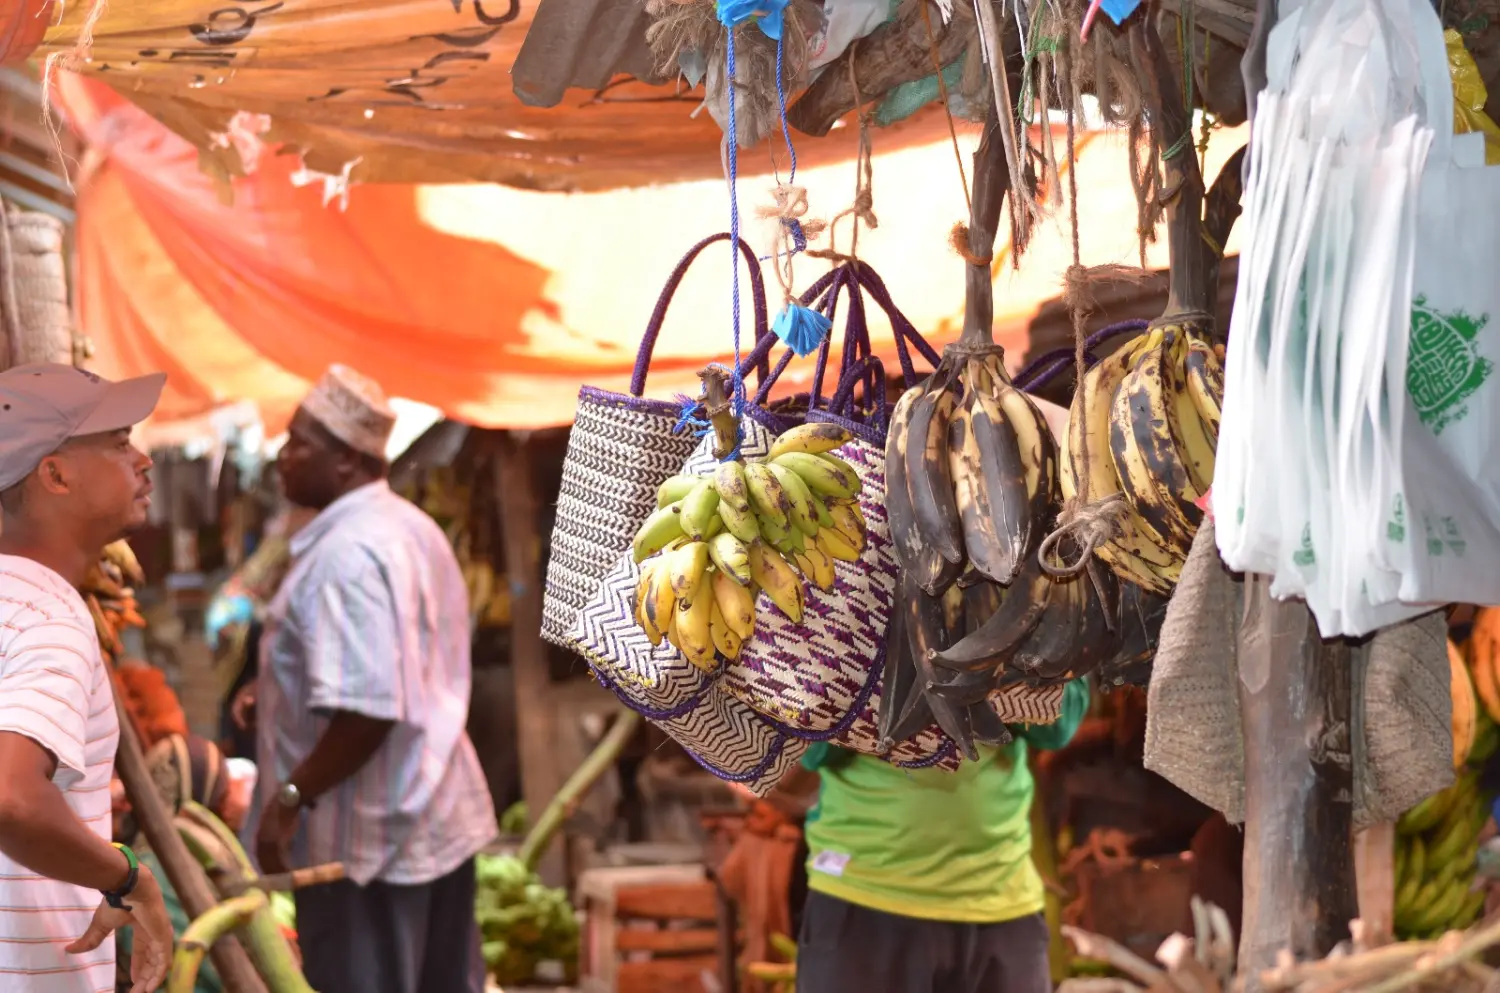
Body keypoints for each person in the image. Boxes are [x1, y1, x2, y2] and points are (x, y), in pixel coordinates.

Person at [237, 365, 498, 993]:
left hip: (369, 848)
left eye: (300, 442)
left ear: (348, 460)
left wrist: (289, 799)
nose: (284, 456)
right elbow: (400, 662)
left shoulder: (346, 555)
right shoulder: (407, 528)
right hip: (428, 819)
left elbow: (369, 706)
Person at [0, 363, 175, 993]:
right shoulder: (47, 614)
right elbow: (12, 797)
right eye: (120, 441)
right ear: (55, 474)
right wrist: (128, 875)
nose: (144, 460)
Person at [759, 680, 1090, 993]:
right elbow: (813, 747)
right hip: (863, 893)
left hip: (1001, 896)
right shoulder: (834, 622)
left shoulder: (1023, 617)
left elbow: (1062, 723)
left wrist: (991, 669)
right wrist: (891, 676)